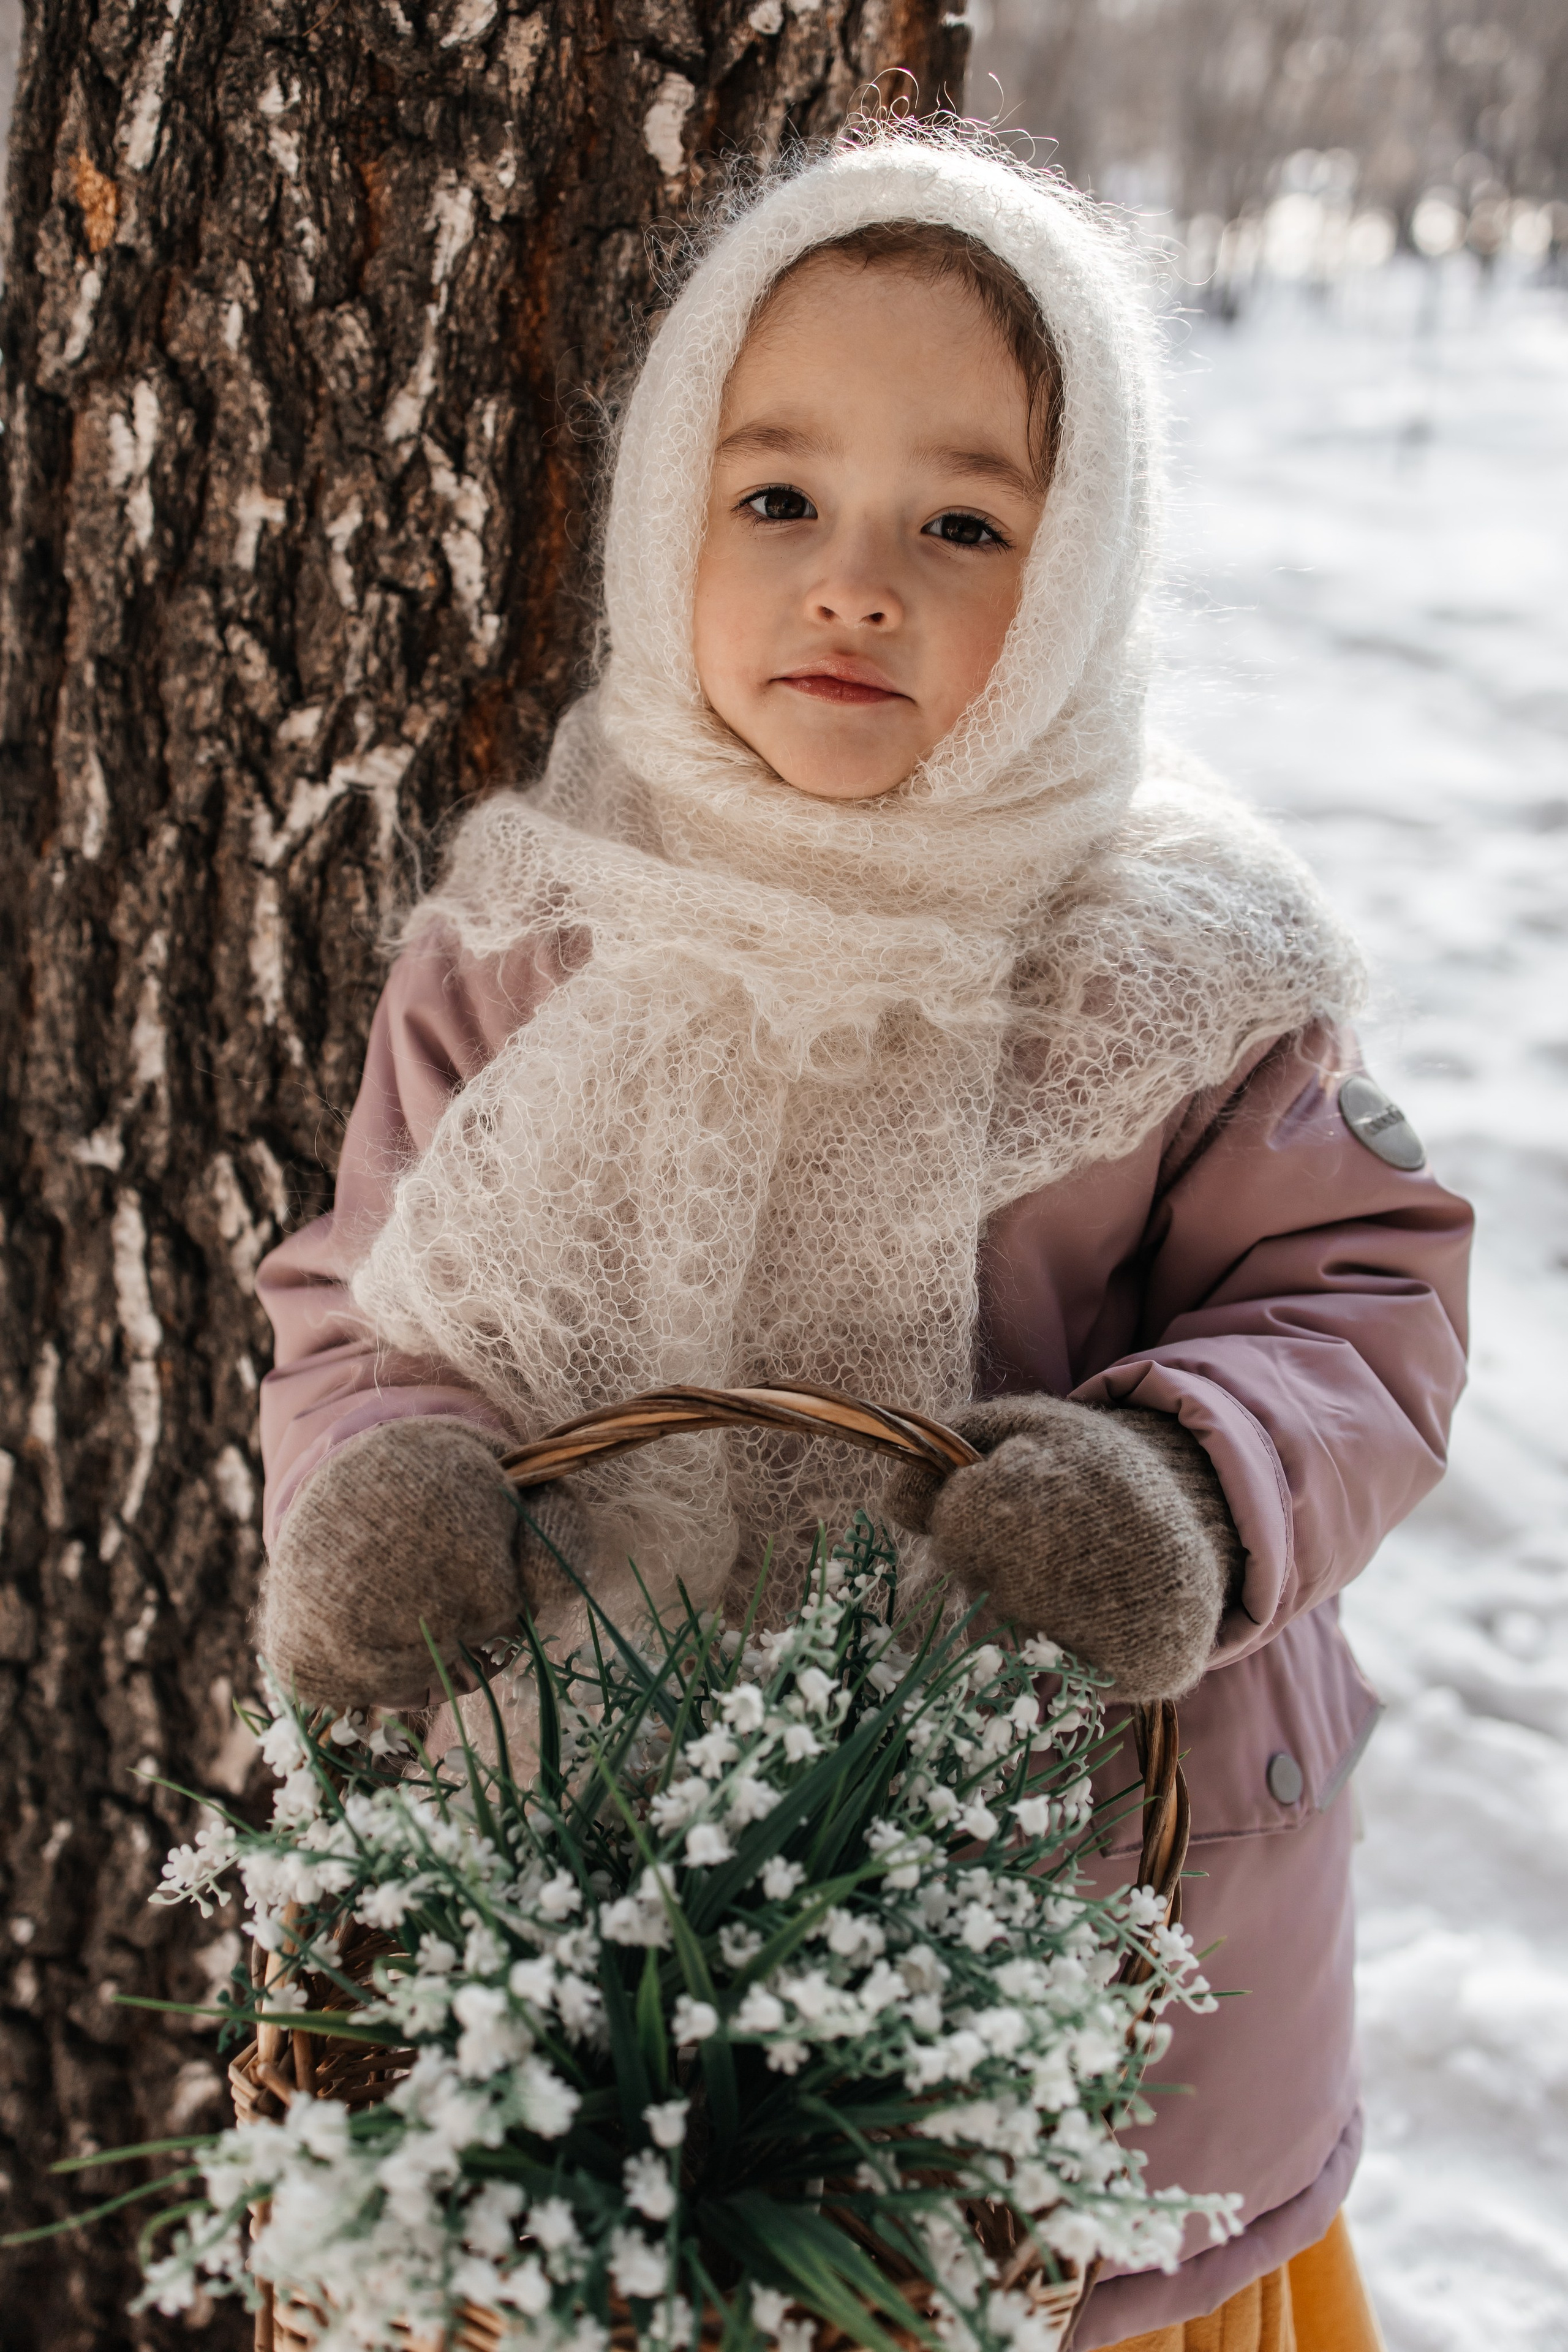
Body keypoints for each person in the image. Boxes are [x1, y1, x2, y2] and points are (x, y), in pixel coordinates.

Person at [252, 126, 1470, 2351]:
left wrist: (1183, 1479)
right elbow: (368, 1284)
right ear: (665, 520)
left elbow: (1363, 1295)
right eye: (782, 497)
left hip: (1093, 1932)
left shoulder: (1172, 961)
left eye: (966, 523)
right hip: (608, 1899)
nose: (856, 582)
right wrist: (386, 1470)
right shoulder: (529, 936)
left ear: (1087, 567)